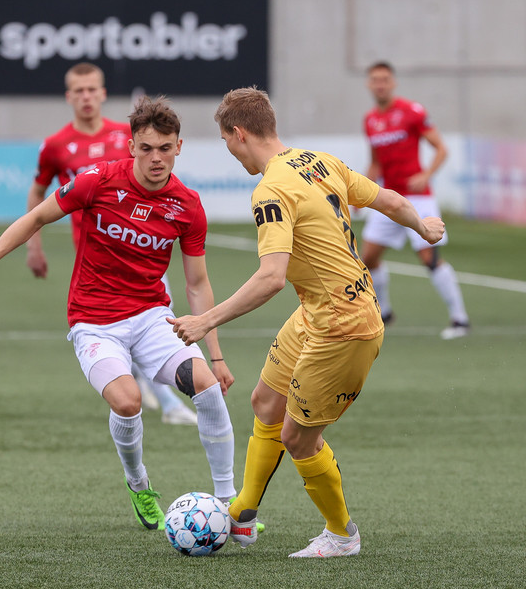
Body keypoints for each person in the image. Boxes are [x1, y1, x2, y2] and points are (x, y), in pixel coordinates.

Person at [168, 86, 445, 558]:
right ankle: (243, 515)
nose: (229, 149)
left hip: (344, 325)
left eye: (225, 139)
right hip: (317, 310)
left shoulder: (270, 190)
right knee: (265, 401)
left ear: (239, 134)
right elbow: (389, 200)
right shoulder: (320, 161)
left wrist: (205, 321)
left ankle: (342, 535)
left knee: (298, 438)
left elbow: (271, 278)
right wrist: (423, 225)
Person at [0, 96, 236, 531]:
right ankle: (138, 483)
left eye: (165, 148)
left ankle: (230, 506)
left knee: (207, 387)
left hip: (151, 316)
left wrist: (216, 356)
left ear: (179, 147)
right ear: (132, 146)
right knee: (128, 401)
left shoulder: (187, 205)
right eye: (147, 148)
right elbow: (36, 217)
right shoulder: (97, 181)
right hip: (94, 321)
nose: (156, 158)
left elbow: (197, 284)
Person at [27, 61, 197, 425]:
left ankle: (168, 402)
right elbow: (39, 193)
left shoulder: (127, 136)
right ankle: (156, 397)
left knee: (157, 320)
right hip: (97, 254)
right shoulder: (56, 146)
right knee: (119, 328)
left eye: (92, 89)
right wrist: (34, 247)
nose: (86, 97)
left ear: (103, 93)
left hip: (145, 249)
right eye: (79, 91)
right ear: (69, 96)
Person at [362, 61, 470, 340]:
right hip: (388, 198)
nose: (380, 84)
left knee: (429, 258)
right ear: (369, 84)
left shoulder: (412, 111)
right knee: (368, 258)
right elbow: (375, 163)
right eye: (375, 80)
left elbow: (441, 149)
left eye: (385, 79)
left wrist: (427, 174)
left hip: (417, 198)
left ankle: (460, 319)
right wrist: (358, 193)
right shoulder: (370, 120)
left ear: (393, 83)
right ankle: (385, 312)